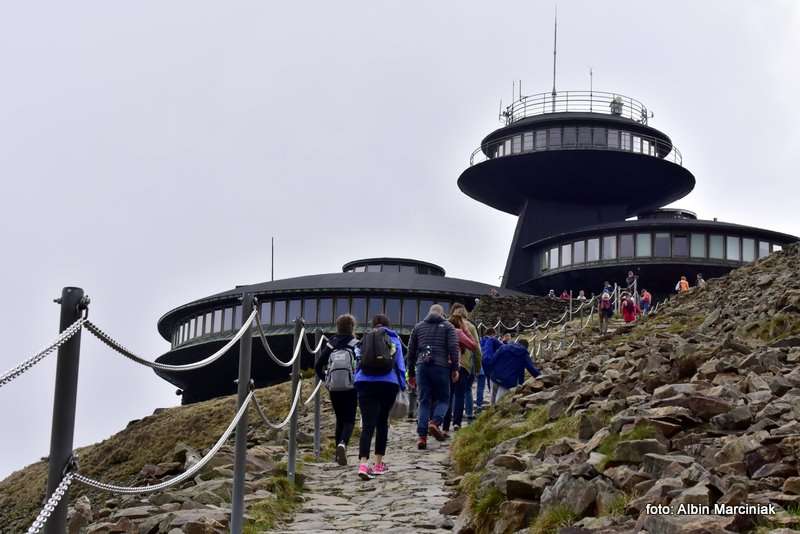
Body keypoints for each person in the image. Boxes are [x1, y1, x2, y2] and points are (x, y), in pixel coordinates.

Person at [354, 314, 407, 480]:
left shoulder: (364, 340)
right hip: (388, 384)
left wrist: (357, 380)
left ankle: (363, 464)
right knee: (382, 422)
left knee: (368, 425)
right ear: (388, 325)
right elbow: (399, 365)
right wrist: (403, 385)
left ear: (373, 325)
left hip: (364, 383)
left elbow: (357, 361)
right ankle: (378, 464)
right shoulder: (394, 339)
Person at [407, 304, 459, 450]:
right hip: (441, 366)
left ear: (429, 313)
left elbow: (411, 352)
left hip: (422, 366)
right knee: (444, 398)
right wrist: (455, 368)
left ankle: (422, 438)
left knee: (423, 401)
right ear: (442, 314)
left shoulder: (418, 327)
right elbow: (454, 349)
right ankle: (434, 423)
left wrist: (411, 373)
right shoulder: (448, 326)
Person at [314, 314, 359, 466]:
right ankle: (342, 444)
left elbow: (318, 365)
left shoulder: (331, 343)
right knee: (350, 420)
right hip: (351, 387)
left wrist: (326, 381)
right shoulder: (355, 343)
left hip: (334, 387)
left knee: (340, 419)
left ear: (337, 327)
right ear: (352, 327)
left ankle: (336, 455)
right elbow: (361, 365)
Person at [442, 314, 478, 432]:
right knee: (459, 395)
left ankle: (445, 424)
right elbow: (473, 346)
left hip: (444, 366)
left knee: (447, 395)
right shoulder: (458, 332)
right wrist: (467, 331)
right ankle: (457, 422)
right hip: (461, 366)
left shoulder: (443, 332)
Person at [489, 339, 540, 404]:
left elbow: (493, 359)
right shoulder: (523, 354)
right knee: (499, 402)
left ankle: (490, 411)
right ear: (526, 347)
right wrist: (540, 376)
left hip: (494, 376)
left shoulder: (504, 347)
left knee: (492, 401)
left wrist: (491, 371)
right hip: (507, 381)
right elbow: (531, 368)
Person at [478, 328, 501, 413]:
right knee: (492, 381)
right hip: (490, 362)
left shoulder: (481, 340)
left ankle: (479, 404)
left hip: (481, 363)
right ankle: (493, 402)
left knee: (484, 383)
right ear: (492, 334)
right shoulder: (492, 340)